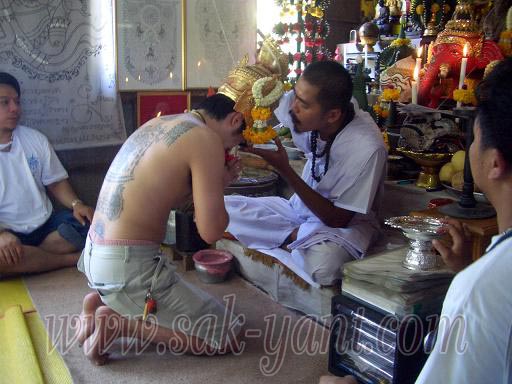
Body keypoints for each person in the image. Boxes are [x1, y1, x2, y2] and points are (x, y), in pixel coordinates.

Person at [75, 36, 290, 364]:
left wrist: (217, 180)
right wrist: (221, 183)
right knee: (226, 336)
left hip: (96, 254)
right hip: (128, 266)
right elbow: (210, 231)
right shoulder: (204, 140)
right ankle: (118, 323)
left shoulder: (166, 122)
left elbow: (167, 200)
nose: (234, 148)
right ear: (235, 120)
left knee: (195, 308)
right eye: (238, 139)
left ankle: (102, 302)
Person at [329, 57, 512, 384]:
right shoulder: (486, 283)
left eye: (474, 136)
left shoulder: (485, 290)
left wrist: (473, 285)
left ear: (494, 162)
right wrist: (466, 274)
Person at [225, 60, 388, 286]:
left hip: (343, 227)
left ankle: (290, 236)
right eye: (295, 96)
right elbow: (266, 110)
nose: (293, 108)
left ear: (332, 116)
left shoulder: (367, 148)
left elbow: (337, 218)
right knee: (220, 207)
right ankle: (294, 235)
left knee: (325, 267)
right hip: (298, 208)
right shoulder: (304, 107)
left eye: (303, 104)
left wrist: (285, 170)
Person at [0, 72, 93, 277]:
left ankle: (27, 259)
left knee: (87, 225)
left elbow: (56, 182)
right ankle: (69, 259)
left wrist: (77, 204)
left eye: (17, 101)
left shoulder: (34, 139)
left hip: (44, 225)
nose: (14, 108)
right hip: (6, 230)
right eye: (5, 103)